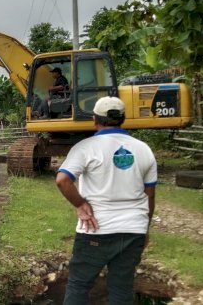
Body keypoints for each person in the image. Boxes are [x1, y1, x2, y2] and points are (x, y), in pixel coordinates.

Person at [55, 96, 157, 305]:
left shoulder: (86, 147)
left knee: (79, 285)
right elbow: (150, 195)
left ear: (94, 119)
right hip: (133, 230)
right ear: (123, 119)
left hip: (96, 229)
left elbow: (63, 180)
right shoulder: (143, 149)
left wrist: (80, 204)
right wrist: (145, 228)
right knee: (122, 288)